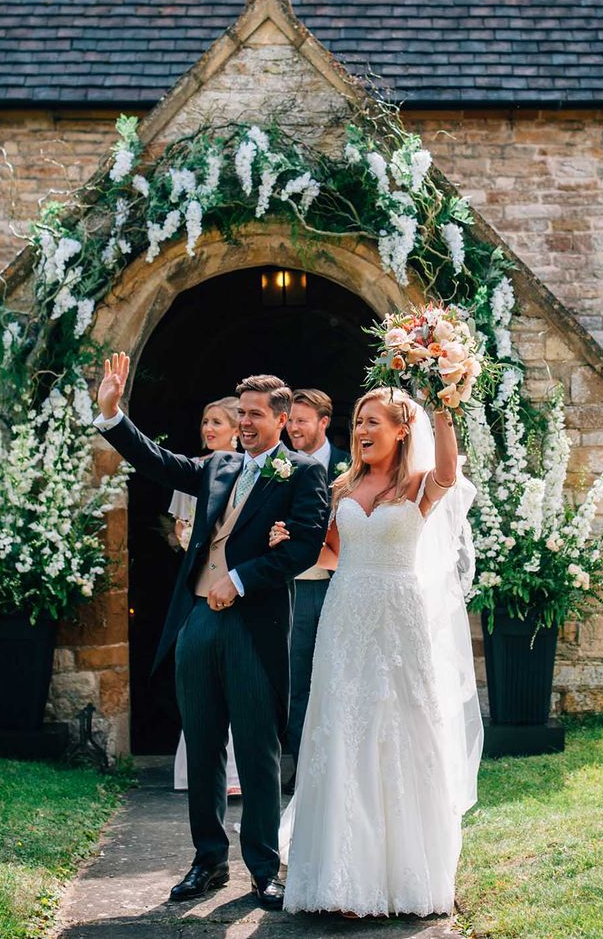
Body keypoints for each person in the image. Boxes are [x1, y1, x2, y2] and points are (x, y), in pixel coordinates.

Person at [94, 355, 328, 910]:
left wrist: (242, 580)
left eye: (253, 415)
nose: (243, 423)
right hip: (197, 621)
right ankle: (208, 860)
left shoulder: (303, 473)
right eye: (240, 414)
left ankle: (264, 870)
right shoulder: (218, 466)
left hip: (253, 627)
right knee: (202, 748)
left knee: (257, 751)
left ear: (279, 418)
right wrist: (112, 414)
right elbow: (159, 464)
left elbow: (303, 547)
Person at [271, 387, 483, 918]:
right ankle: (343, 877)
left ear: (401, 430)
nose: (361, 430)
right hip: (344, 618)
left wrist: (445, 406)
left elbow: (450, 474)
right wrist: (288, 541)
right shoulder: (344, 484)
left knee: (397, 731)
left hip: (397, 619)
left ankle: (401, 876)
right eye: (358, 420)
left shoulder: (417, 486)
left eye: (373, 422)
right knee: (342, 730)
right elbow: (333, 554)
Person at [169, 397, 242, 796]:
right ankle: (194, 772)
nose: (208, 428)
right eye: (204, 421)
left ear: (236, 429)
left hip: (238, 586)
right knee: (202, 682)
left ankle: (233, 772)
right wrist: (185, 539)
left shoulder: (253, 472)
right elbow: (179, 533)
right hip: (200, 588)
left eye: (216, 422)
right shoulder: (192, 469)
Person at [283, 389, 350, 789]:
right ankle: (305, 769)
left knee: (338, 677)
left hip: (342, 585)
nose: (293, 428)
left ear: (323, 423)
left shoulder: (349, 466)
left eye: (301, 420)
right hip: (298, 584)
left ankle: (339, 766)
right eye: (289, 420)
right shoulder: (280, 466)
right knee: (296, 680)